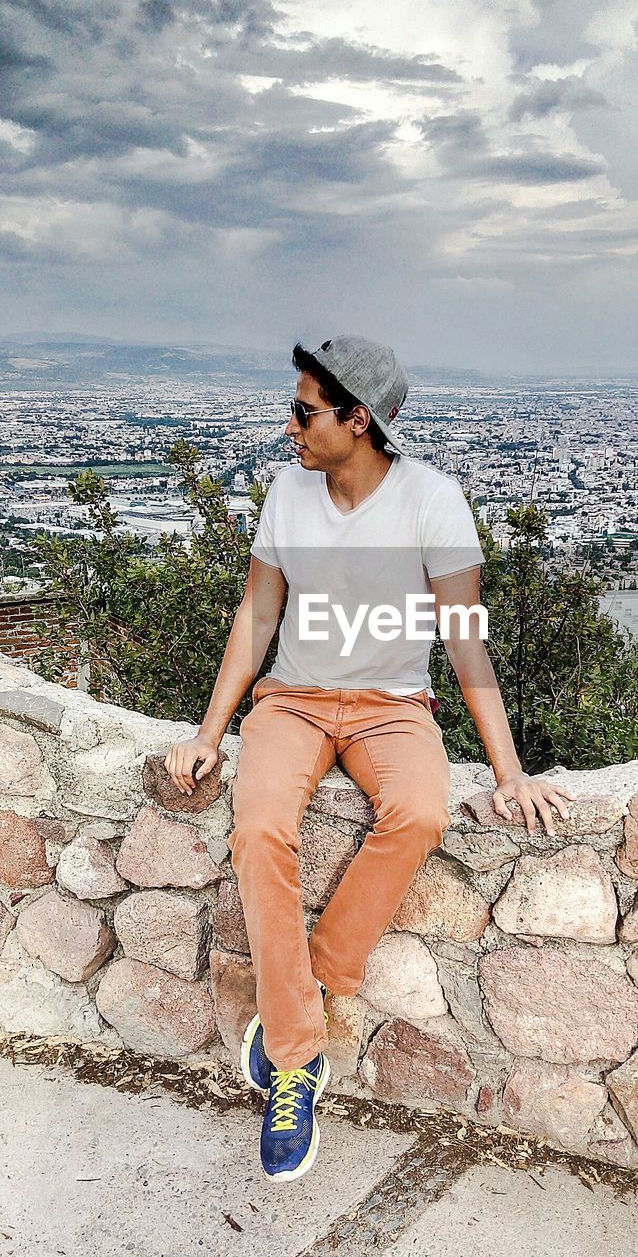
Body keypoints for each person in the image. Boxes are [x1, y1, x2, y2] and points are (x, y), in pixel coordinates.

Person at [164, 334, 575, 1183]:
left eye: (305, 411)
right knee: (262, 828)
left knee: (421, 813)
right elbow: (256, 617)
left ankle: (304, 987)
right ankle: (295, 1058)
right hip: (294, 701)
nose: (289, 425)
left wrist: (508, 772)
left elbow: (466, 644)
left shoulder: (433, 500)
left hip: (393, 708)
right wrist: (210, 731)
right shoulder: (288, 490)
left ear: (359, 420)